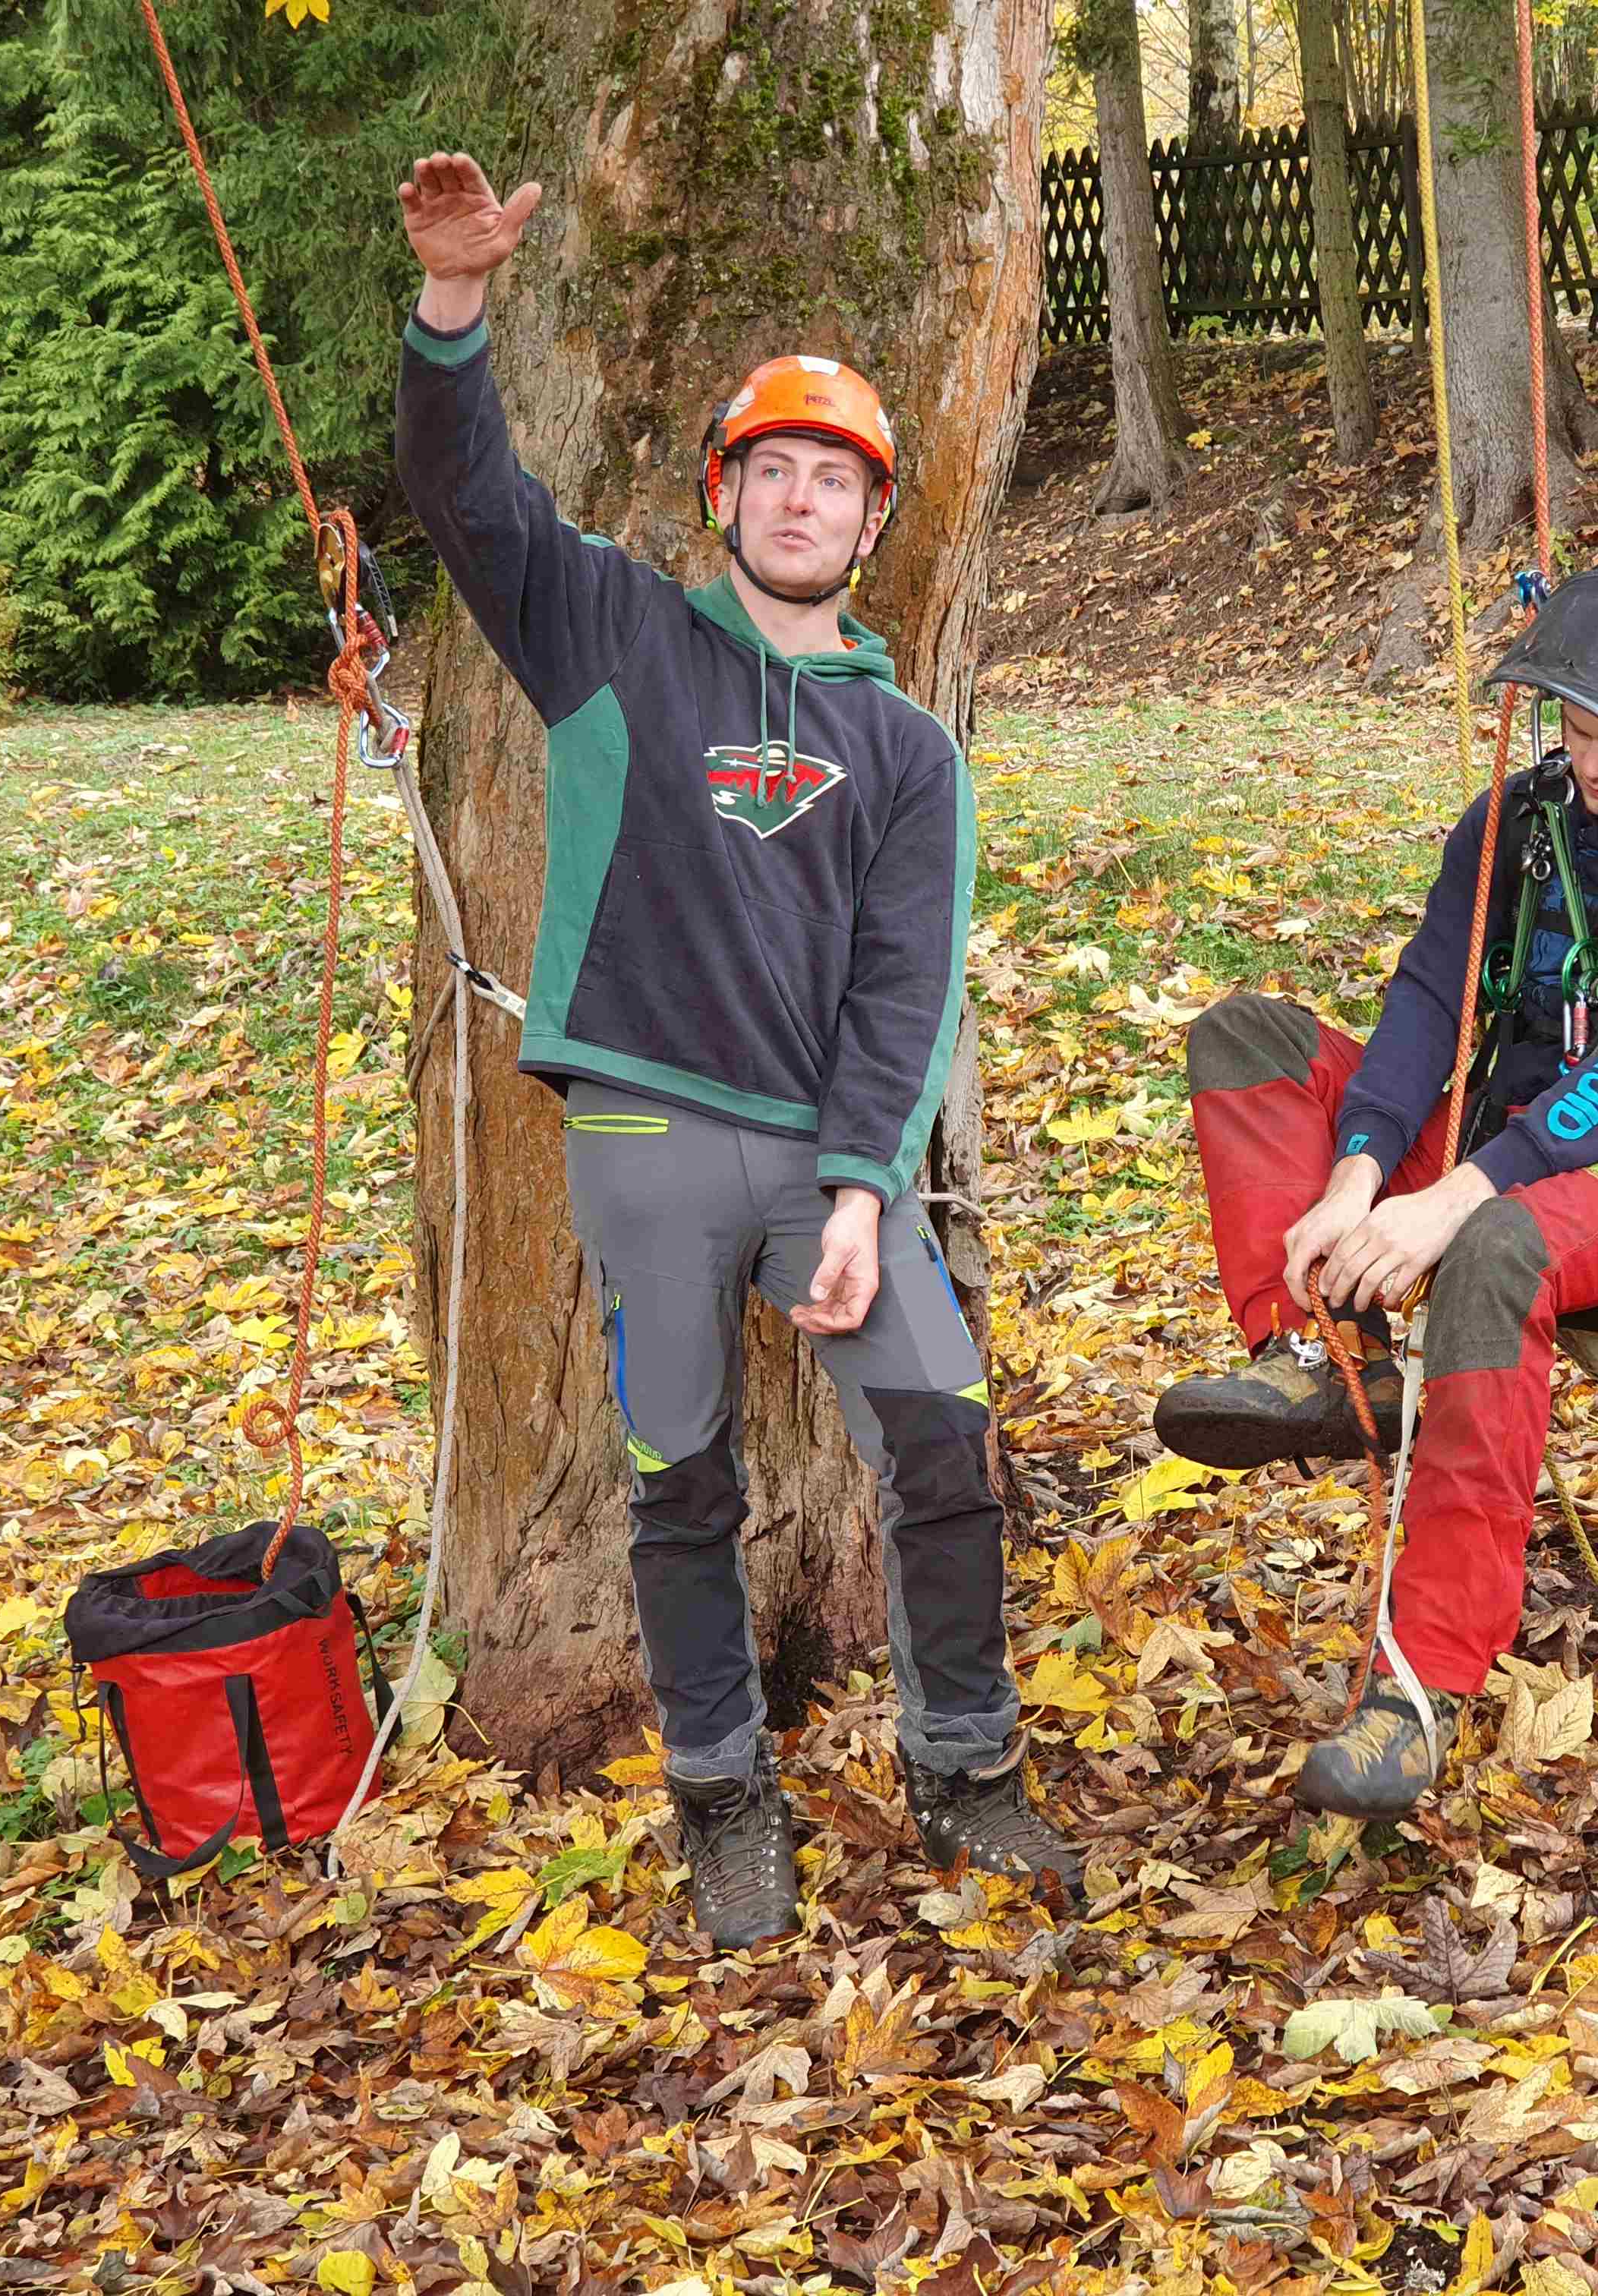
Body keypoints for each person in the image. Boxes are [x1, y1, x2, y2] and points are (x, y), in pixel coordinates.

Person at [392, 151, 1079, 1945]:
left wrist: (865, 1189)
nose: (797, 498)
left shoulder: (912, 751)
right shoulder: (614, 635)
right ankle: (721, 1794)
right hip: (648, 1139)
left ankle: (969, 1762)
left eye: (831, 478)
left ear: (872, 525)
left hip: (833, 1159)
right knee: (679, 1478)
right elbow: (464, 496)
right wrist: (455, 308)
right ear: (727, 499)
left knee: (943, 1440)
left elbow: (905, 994)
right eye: (769, 469)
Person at [1155, 544, 1598, 1818]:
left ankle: (1424, 1681)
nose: (1594, 759)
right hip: (1503, 1139)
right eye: (1574, 726)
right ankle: (1335, 1364)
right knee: (1249, 1043)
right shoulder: (1521, 817)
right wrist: (1358, 1173)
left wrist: (1455, 1197)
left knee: (1498, 1244)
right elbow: (1427, 998)